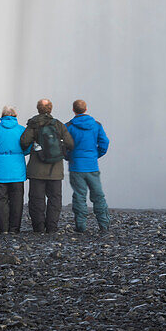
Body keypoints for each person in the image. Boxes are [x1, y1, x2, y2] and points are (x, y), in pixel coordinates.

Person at [20, 98, 74, 234]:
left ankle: (38, 228)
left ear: (38, 109)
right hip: (55, 171)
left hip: (36, 170)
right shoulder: (59, 125)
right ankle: (52, 228)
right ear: (50, 109)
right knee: (55, 199)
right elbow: (70, 144)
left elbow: (24, 142)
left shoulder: (33, 124)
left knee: (36, 200)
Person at [65, 99, 111, 233]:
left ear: (73, 110)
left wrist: (69, 157)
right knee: (98, 196)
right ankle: (104, 225)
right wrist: (95, 155)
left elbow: (63, 146)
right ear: (86, 109)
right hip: (91, 165)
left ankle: (81, 226)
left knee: (79, 195)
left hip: (76, 166)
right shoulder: (96, 125)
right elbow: (105, 143)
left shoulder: (68, 126)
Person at [0, 106, 29, 234]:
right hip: (17, 171)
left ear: (2, 116)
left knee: (0, 200)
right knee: (17, 200)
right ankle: (14, 229)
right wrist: (19, 153)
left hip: (0, 172)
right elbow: (28, 147)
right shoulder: (21, 130)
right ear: (15, 116)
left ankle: (3, 229)